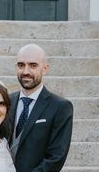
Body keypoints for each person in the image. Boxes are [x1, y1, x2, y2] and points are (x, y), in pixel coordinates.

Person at [9, 44, 74, 172]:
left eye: (33, 65)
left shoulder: (61, 107)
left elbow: (56, 158)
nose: (26, 71)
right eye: (21, 65)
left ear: (44, 69)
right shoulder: (6, 101)